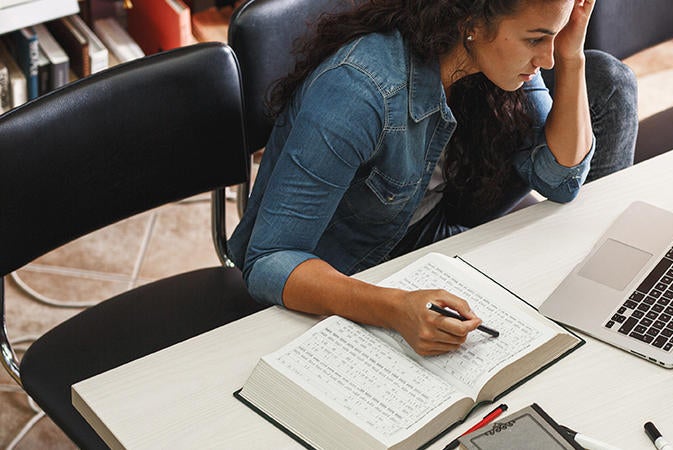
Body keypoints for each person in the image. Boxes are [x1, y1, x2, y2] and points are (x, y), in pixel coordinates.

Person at [227, 0, 637, 356]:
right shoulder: (358, 91)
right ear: (472, 25)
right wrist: (394, 308)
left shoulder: (497, 65)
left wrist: (572, 55)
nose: (545, 58)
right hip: (346, 271)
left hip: (425, 227)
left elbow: (560, 180)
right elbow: (268, 261)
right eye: (535, 40)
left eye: (556, 34)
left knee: (607, 79)